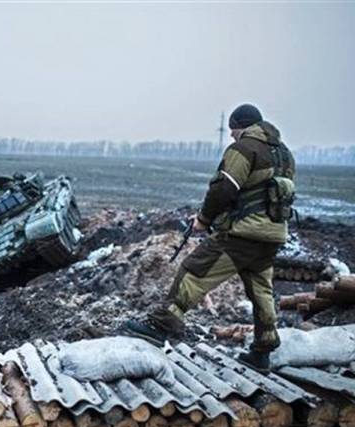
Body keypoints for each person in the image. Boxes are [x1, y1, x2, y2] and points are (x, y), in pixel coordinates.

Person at [123, 104, 296, 372]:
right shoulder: (285, 155)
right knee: (261, 289)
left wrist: (204, 219)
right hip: (273, 235)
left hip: (243, 234)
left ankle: (159, 326)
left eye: (232, 129)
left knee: (195, 270)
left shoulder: (243, 149)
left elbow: (224, 188)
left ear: (242, 126)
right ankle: (263, 349)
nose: (231, 136)